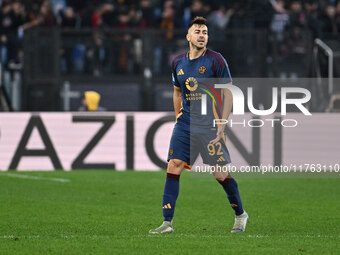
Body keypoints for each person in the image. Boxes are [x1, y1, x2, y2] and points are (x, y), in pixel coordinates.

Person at [149, 16, 248, 234]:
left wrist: (222, 122)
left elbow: (227, 92)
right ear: (188, 36)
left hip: (210, 125)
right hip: (185, 124)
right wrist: (178, 117)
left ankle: (240, 214)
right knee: (174, 164)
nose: (202, 35)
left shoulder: (216, 60)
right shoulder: (178, 63)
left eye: (205, 32)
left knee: (220, 174)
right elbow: (177, 92)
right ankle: (167, 223)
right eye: (198, 31)